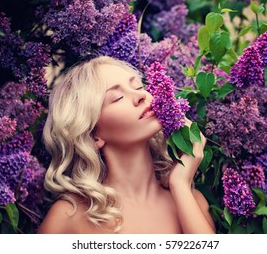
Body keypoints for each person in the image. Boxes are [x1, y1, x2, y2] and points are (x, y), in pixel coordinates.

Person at [37, 56, 216, 234]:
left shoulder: (191, 200)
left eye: (138, 86)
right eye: (117, 97)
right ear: (93, 136)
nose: (140, 95)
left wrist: (180, 185)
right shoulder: (68, 217)